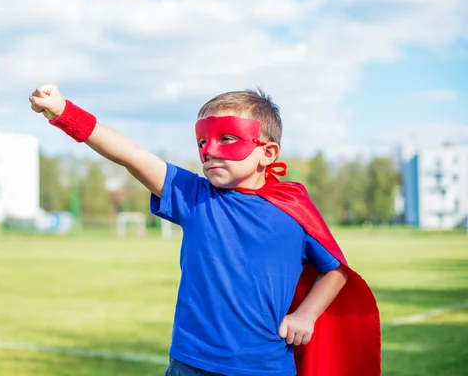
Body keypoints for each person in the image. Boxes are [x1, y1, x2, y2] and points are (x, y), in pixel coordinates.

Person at [29, 85, 381, 376]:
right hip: (190, 364)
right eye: (201, 142)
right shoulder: (193, 196)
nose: (209, 151)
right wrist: (64, 113)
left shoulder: (293, 208)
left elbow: (334, 269)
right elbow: (132, 155)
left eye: (227, 139)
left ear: (268, 153)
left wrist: (307, 314)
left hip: (266, 366)